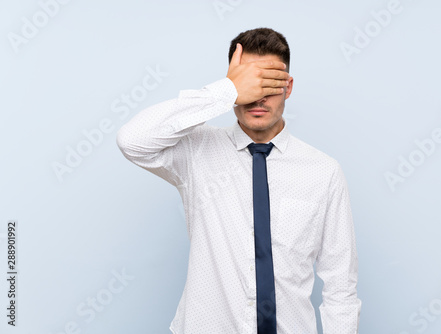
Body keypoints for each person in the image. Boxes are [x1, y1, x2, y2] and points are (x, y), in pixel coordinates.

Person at [116, 27, 361, 334]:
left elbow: (341, 287)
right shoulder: (197, 151)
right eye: (250, 84)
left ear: (288, 86)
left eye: (269, 83)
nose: (258, 97)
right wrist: (226, 91)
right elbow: (132, 140)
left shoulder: (323, 172)